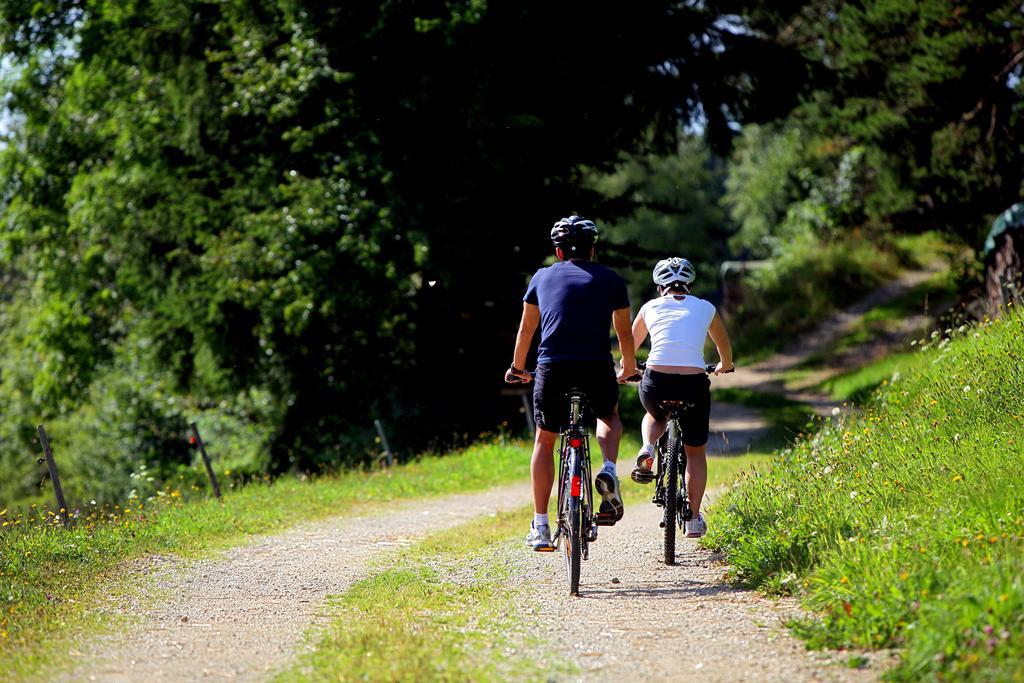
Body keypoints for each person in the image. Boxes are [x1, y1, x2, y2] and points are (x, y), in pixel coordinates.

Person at [505, 215, 639, 551]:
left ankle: (540, 525)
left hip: (552, 366)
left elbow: (526, 331)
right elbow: (623, 332)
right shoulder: (611, 279)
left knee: (545, 439)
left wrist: (517, 367)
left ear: (558, 251)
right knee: (607, 417)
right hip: (596, 365)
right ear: (593, 249)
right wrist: (629, 367)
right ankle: (608, 469)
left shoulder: (541, 277)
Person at [629, 257, 733, 539]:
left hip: (657, 380)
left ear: (659, 284)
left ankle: (648, 447)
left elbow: (630, 344)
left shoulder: (649, 307)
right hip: (693, 383)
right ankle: (694, 519)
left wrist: (626, 369)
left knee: (654, 414)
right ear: (689, 283)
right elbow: (723, 344)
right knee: (695, 452)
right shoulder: (705, 307)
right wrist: (725, 365)